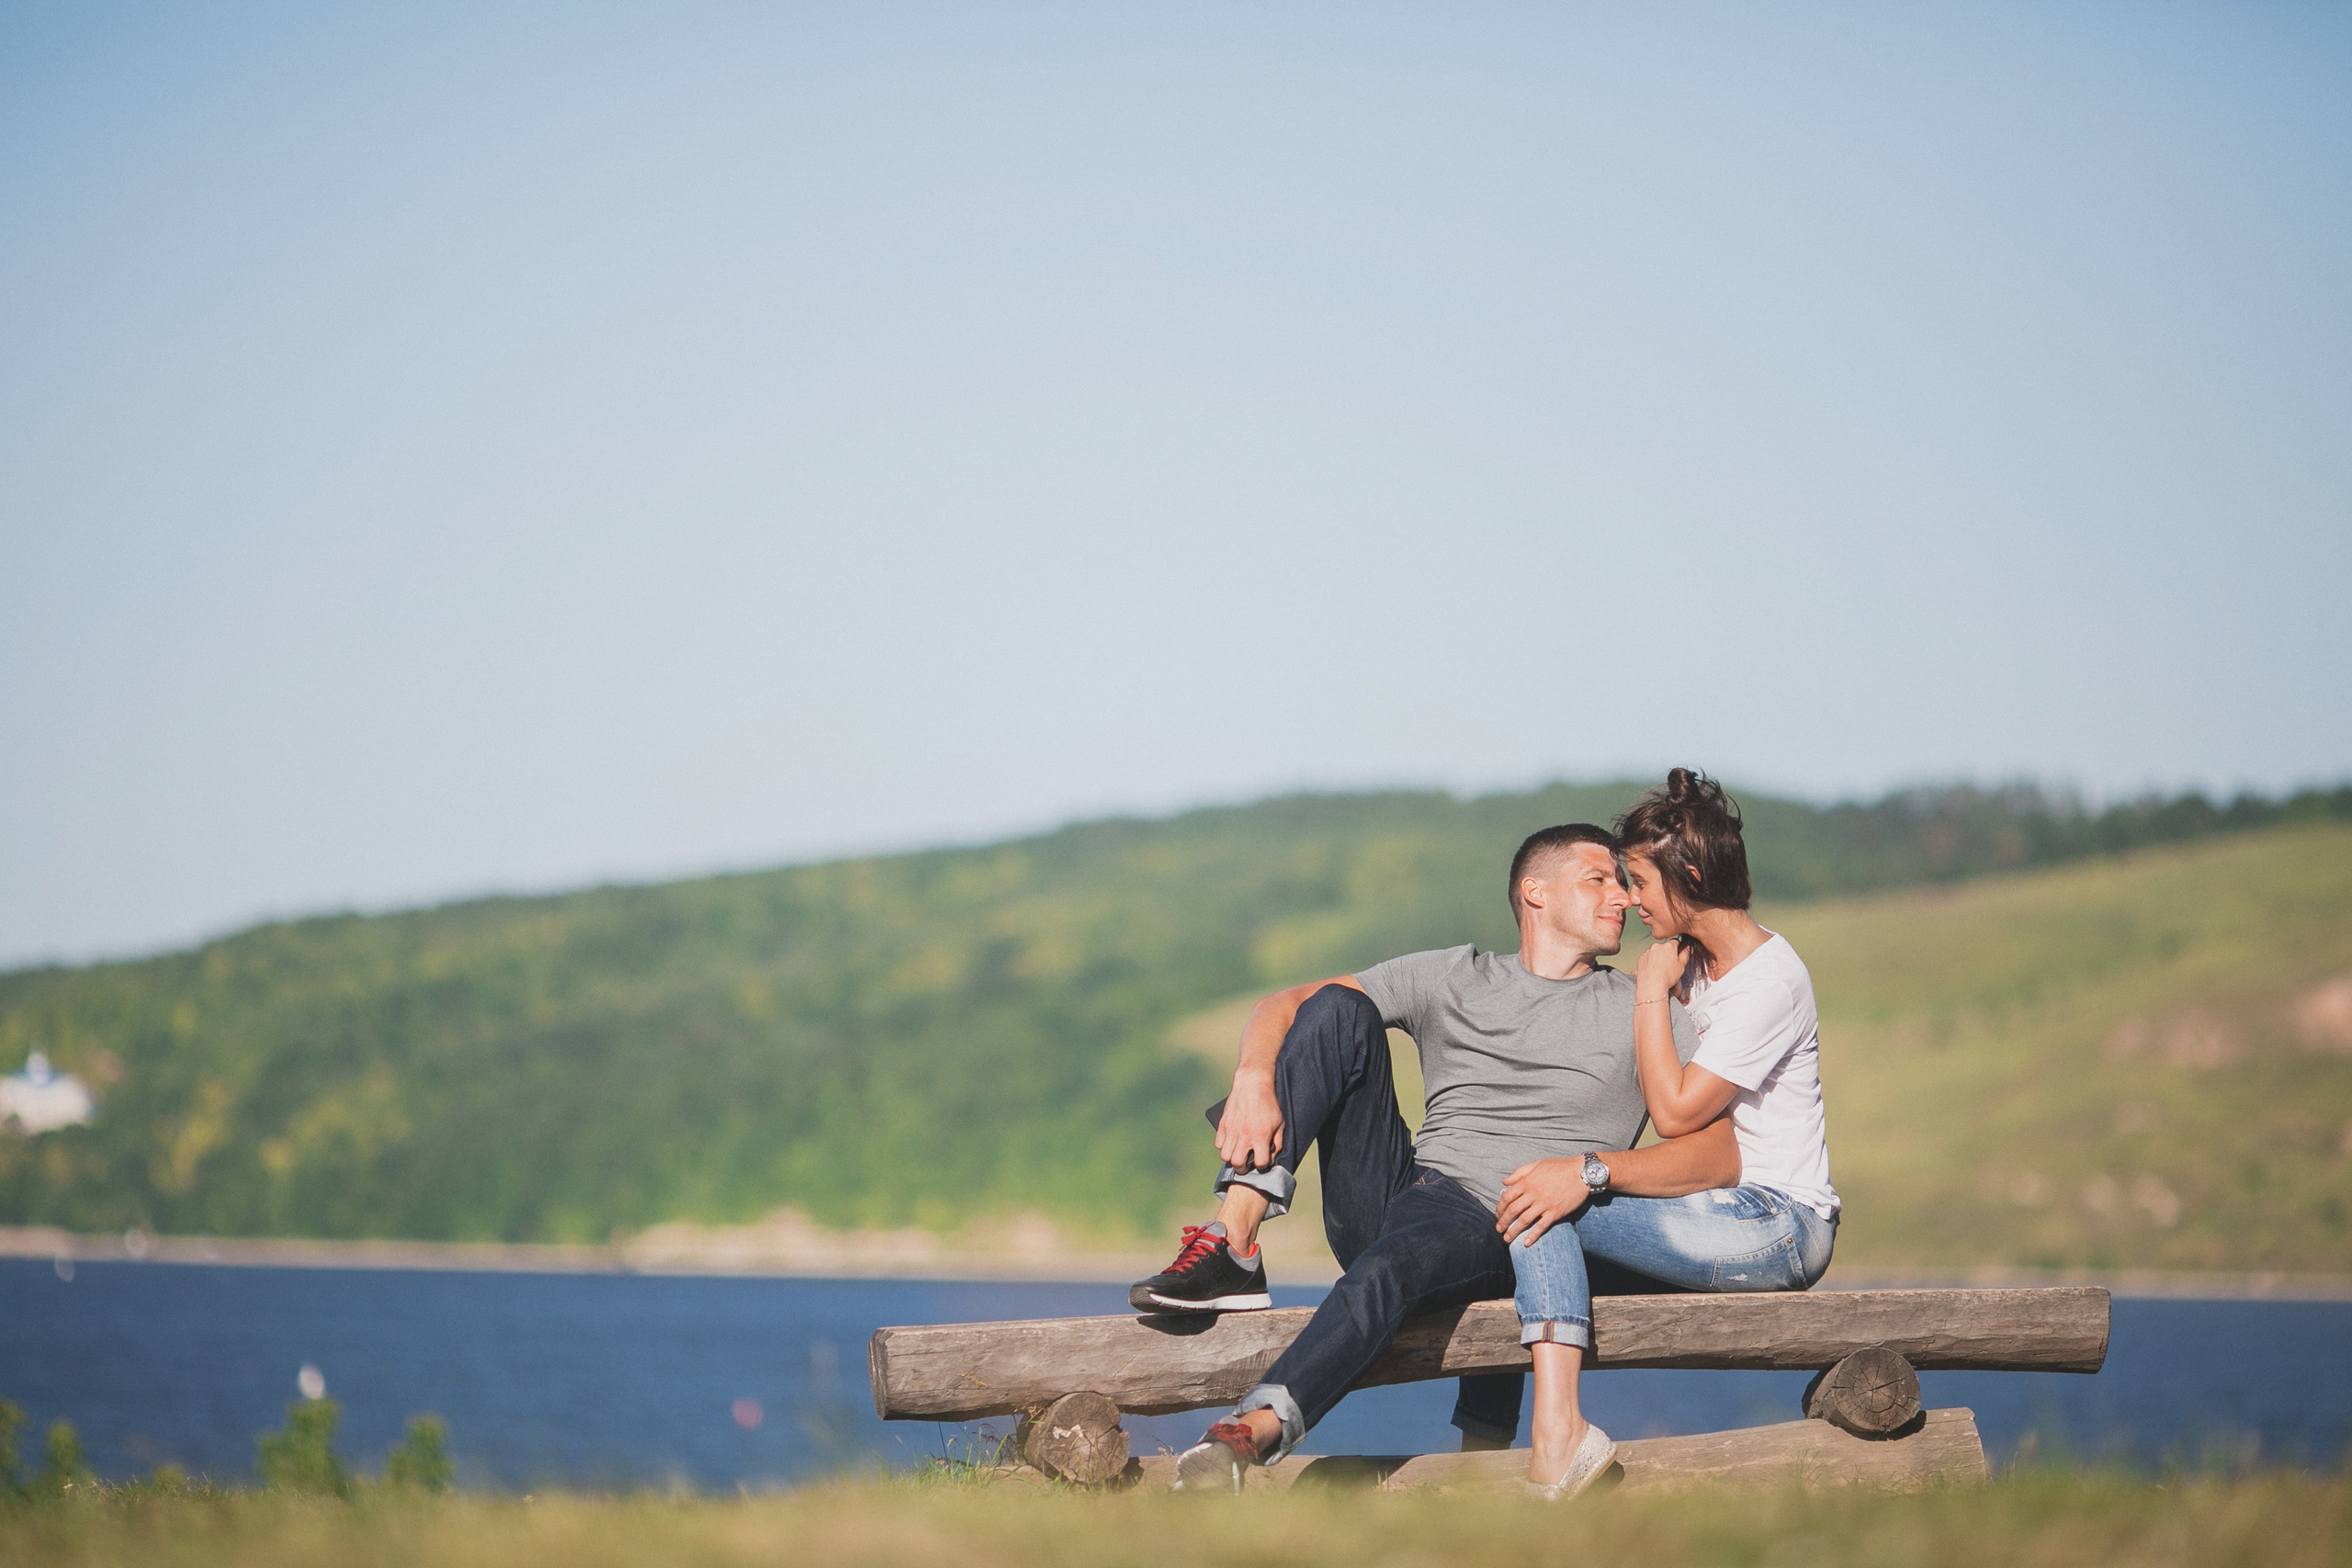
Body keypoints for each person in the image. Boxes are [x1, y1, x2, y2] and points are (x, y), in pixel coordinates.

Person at [1127, 822, 1741, 1494]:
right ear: (1535, 891)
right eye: (1599, 878)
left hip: (1502, 1221)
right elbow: (1286, 1005)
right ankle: (1235, 1239)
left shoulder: (1642, 1007)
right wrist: (1252, 1076)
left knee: (1397, 1261)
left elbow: (1719, 1152)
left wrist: (1592, 1170)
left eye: (1624, 884)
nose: (1621, 897)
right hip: (1405, 1191)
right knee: (1337, 1007)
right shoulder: (1456, 973)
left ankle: (1248, 1435)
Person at [1495, 769, 1839, 1498]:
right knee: (1526, 1218)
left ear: (1687, 874)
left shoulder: (1767, 981)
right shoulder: (1701, 966)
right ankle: (1505, 1444)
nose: (1629, 898)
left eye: (1639, 881)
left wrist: (1651, 989)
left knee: (1545, 1204)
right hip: (1718, 1209)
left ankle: (1554, 1444)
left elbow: (1679, 1112)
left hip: (1780, 1222)